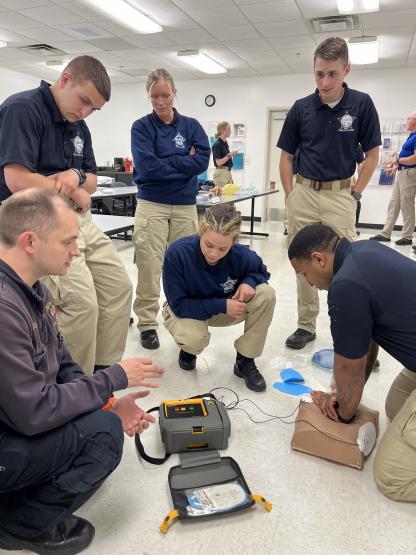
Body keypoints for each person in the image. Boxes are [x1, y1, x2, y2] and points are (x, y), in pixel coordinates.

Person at [0, 189, 164, 554]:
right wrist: (115, 377)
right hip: (13, 429)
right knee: (102, 438)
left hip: (14, 422)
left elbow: (63, 364)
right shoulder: (4, 306)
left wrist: (106, 402)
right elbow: (34, 412)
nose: (77, 250)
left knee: (100, 421)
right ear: (29, 241)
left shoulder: (31, 288)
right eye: (68, 241)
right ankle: (16, 525)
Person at [0, 55, 132, 375]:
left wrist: (73, 176)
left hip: (75, 218)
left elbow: (92, 179)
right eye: (84, 101)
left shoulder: (78, 125)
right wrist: (73, 189)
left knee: (119, 288)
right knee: (81, 306)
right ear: (65, 80)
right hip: (35, 220)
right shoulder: (23, 109)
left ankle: (101, 372)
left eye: (93, 109)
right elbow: (18, 180)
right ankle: (73, 391)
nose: (85, 112)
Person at [288, 223, 416, 502]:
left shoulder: (346, 286)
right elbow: (367, 344)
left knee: (391, 478)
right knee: (396, 407)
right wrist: (341, 396)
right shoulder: (364, 250)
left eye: (304, 274)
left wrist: (343, 413)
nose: (308, 283)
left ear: (319, 259)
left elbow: (350, 368)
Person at [277, 36, 381, 350]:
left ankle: (351, 327)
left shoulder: (361, 104)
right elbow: (286, 157)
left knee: (345, 263)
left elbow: (373, 153)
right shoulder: (301, 109)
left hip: (340, 194)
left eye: (332, 74)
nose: (325, 81)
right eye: (319, 74)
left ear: (346, 69)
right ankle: (306, 325)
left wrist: (356, 192)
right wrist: (290, 194)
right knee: (303, 260)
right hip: (304, 192)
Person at [131, 68, 210, 351]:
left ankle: (180, 318)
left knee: (184, 267)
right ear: (149, 97)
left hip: (185, 206)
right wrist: (182, 161)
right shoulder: (141, 127)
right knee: (150, 266)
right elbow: (147, 167)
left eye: (165, 95)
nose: (160, 102)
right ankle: (147, 324)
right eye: (155, 97)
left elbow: (201, 162)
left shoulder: (191, 126)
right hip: (152, 203)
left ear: (174, 93)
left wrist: (167, 162)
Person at [162, 203, 276, 392]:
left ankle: (245, 360)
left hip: (225, 307)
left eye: (223, 249)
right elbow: (179, 305)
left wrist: (250, 281)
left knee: (266, 294)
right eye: (208, 245)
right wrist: (222, 305)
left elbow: (262, 272)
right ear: (200, 231)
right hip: (187, 310)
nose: (214, 254)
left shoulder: (242, 255)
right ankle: (188, 350)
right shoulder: (178, 253)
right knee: (193, 338)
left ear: (234, 241)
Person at [370, 111, 416, 246]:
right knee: (394, 204)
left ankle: (407, 236)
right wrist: (396, 166)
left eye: (409, 119)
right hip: (403, 172)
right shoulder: (411, 136)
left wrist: (398, 159)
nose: (406, 121)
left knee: (406, 204)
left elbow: (414, 158)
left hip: (409, 174)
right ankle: (386, 233)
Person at [211, 121, 239, 195]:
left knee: (231, 196)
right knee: (222, 200)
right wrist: (230, 155)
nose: (230, 131)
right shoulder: (217, 144)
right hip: (221, 174)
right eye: (229, 129)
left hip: (227, 172)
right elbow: (218, 163)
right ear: (223, 130)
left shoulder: (225, 143)